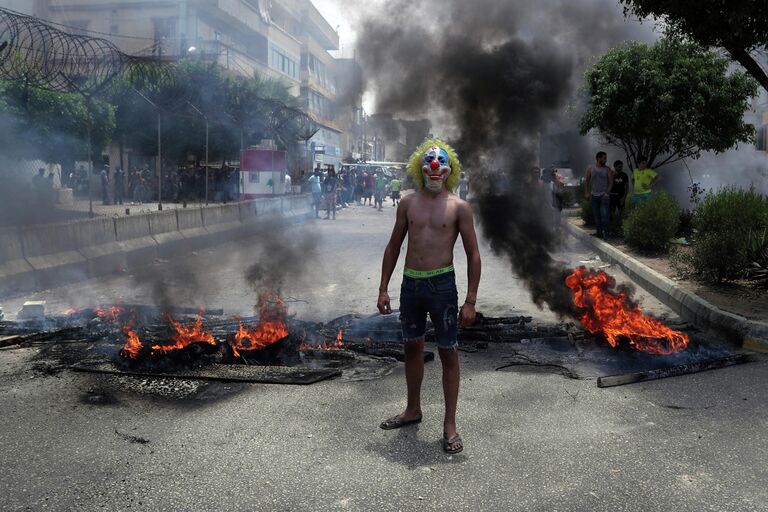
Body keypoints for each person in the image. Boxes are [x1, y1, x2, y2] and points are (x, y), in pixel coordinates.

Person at [377, 139, 481, 455]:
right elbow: (394, 246)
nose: (434, 167)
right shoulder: (407, 203)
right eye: (429, 162)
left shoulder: (459, 207)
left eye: (440, 163)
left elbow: (473, 254)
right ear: (419, 167)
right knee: (412, 348)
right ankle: (413, 409)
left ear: (450, 170)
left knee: (448, 352)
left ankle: (450, 425)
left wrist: (471, 300)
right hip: (412, 286)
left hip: (443, 287)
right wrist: (383, 287)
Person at [584, 151, 614, 239]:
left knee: (605, 215)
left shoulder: (607, 169)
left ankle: (607, 234)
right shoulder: (590, 168)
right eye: (604, 158)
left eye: (606, 158)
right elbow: (586, 181)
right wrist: (586, 192)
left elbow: (611, 182)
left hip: (603, 196)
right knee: (597, 216)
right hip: (594, 195)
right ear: (599, 158)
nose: (606, 160)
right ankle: (599, 233)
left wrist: (607, 193)